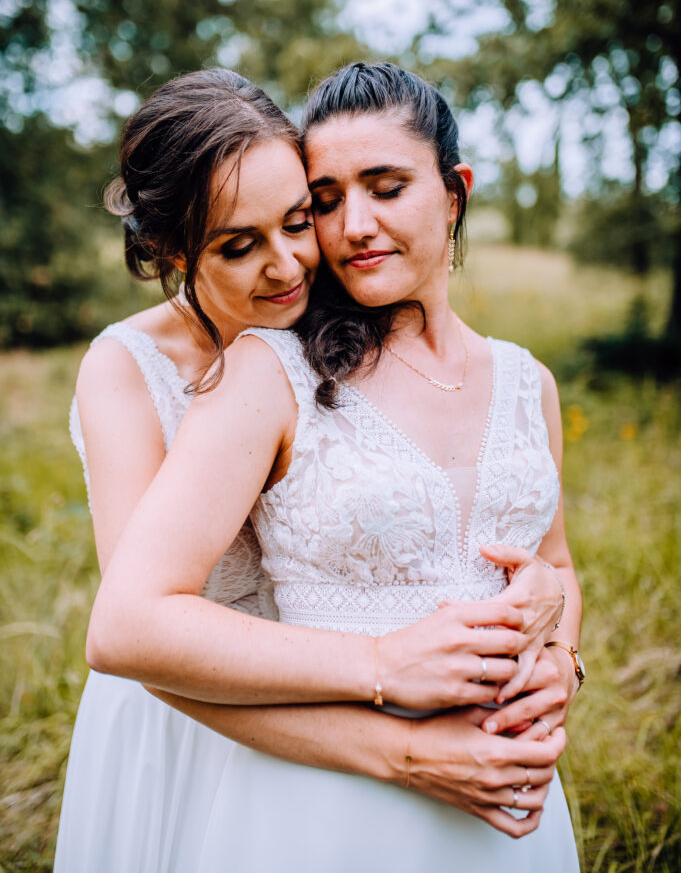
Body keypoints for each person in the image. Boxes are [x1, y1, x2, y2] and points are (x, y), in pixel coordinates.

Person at [86, 62, 582, 871]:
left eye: (295, 221)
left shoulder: (523, 381)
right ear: (177, 251)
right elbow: (135, 628)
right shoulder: (257, 371)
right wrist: (387, 681)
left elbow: (553, 562)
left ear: (453, 192)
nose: (302, 256)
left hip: (500, 794)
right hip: (239, 728)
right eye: (325, 201)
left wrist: (561, 652)